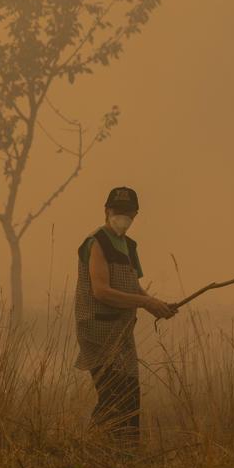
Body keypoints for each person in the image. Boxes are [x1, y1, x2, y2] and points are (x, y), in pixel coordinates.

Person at [74, 186, 174, 446]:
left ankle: (125, 454)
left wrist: (156, 305)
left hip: (121, 331)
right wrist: (145, 301)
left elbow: (132, 285)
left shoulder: (129, 246)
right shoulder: (97, 242)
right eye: (117, 211)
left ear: (135, 214)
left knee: (129, 397)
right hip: (97, 331)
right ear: (106, 211)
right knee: (113, 397)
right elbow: (101, 291)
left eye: (128, 212)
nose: (123, 217)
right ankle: (90, 448)